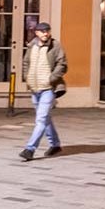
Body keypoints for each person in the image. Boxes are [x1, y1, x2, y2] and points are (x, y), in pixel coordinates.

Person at [19, 22, 67, 161]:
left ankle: (30, 149)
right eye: (42, 31)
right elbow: (26, 62)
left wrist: (52, 78)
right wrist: (26, 77)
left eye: (47, 31)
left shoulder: (55, 45)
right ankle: (55, 145)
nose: (45, 33)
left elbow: (62, 64)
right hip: (35, 88)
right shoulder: (32, 46)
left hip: (48, 88)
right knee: (45, 119)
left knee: (40, 119)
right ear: (37, 33)